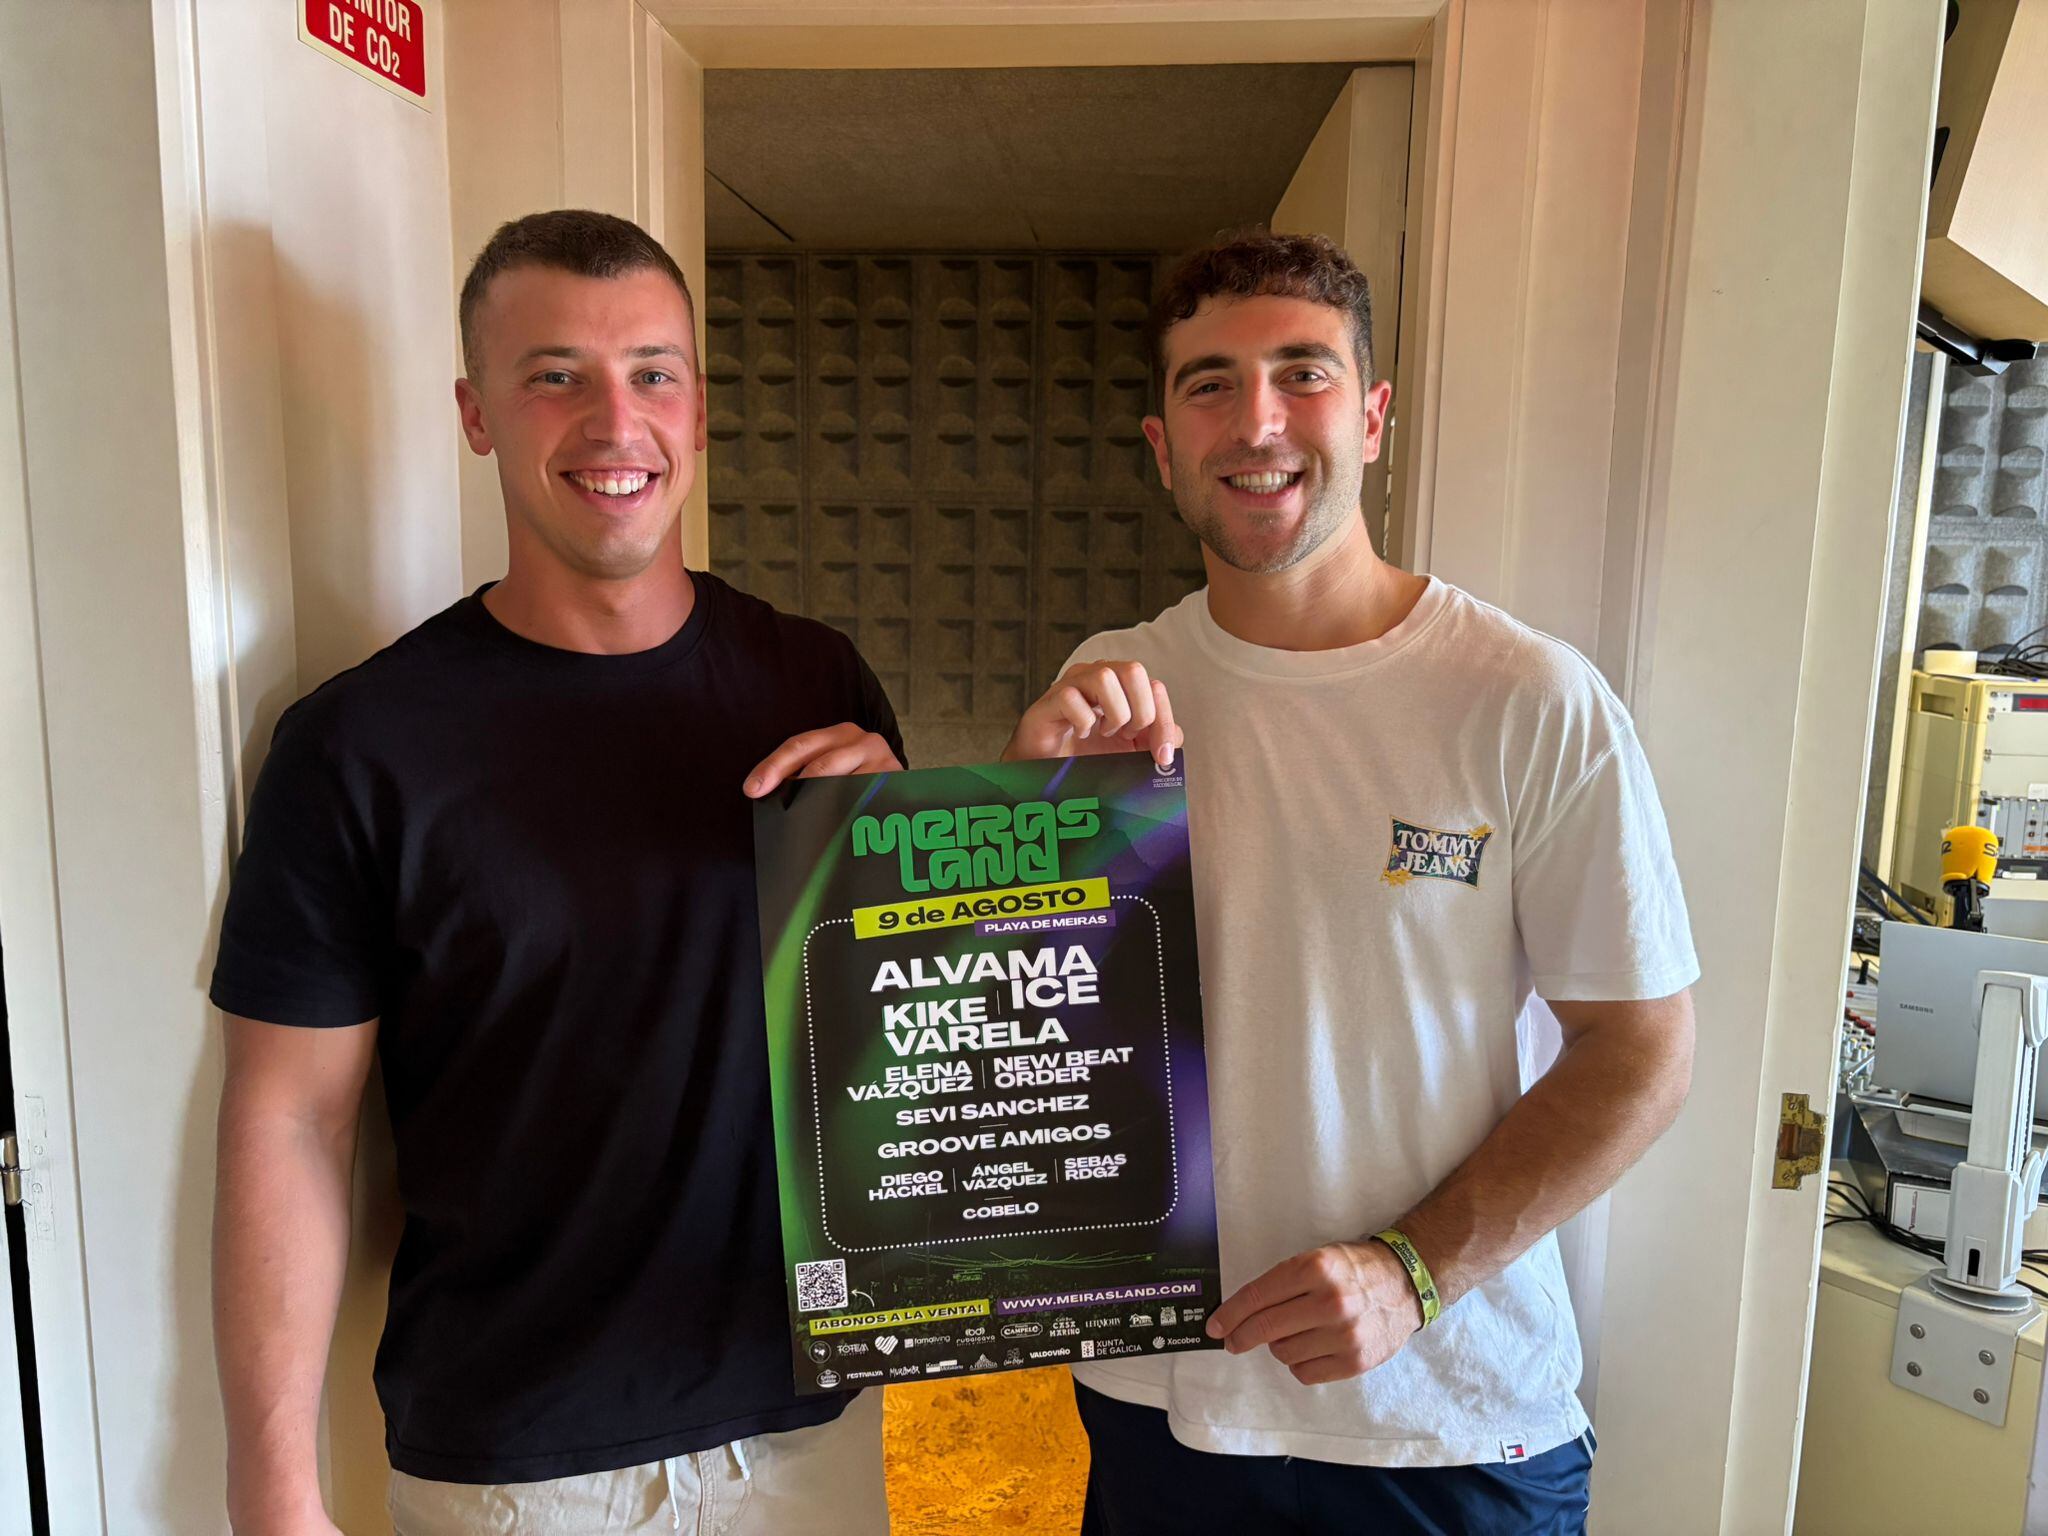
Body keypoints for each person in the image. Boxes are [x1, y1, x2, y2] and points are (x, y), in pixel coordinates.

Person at [210, 209, 902, 1536]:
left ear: (698, 408)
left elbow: (894, 1060)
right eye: (554, 377)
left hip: (811, 1432)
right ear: (477, 414)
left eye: (651, 372)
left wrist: (901, 874)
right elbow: (289, 1121)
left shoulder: (818, 684)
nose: (613, 421)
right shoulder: (360, 745)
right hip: (517, 1463)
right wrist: (273, 1486)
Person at [1001, 229, 1699, 1535]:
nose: (1256, 419)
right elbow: (1041, 1047)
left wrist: (1413, 1272)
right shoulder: (1110, 689)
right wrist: (1030, 826)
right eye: (1208, 383)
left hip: (1444, 1427)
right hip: (1165, 1408)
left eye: (1302, 373)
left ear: (1372, 418)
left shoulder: (1526, 699)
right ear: (1163, 446)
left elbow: (1644, 1049)